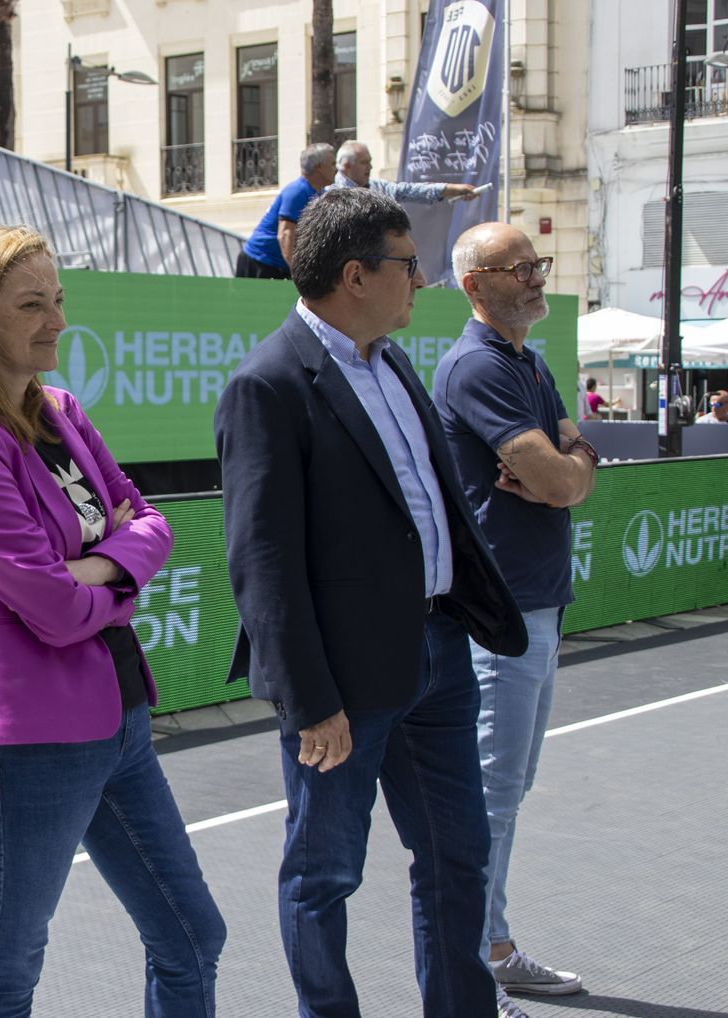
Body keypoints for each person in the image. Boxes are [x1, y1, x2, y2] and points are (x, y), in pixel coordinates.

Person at [215, 188, 527, 1018]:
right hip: (342, 687)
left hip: (438, 657)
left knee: (458, 858)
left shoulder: (392, 363)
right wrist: (310, 700)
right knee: (324, 876)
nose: (421, 281)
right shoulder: (268, 385)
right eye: (408, 264)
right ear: (356, 276)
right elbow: (262, 563)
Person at [0, 224, 225, 1017]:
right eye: (31, 305)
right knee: (10, 970)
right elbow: (53, 610)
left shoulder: (63, 412)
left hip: (118, 717)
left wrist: (99, 566)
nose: (57, 321)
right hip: (23, 741)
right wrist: (117, 570)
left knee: (192, 935)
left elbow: (151, 522)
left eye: (58, 299)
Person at [435, 224, 596, 1016]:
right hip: (501, 620)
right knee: (489, 801)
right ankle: (475, 974)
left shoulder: (529, 362)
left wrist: (571, 467)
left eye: (538, 264)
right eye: (518, 268)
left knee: (510, 788)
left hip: (539, 607)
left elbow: (575, 464)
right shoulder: (477, 367)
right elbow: (562, 481)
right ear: (475, 285)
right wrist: (566, 474)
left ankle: (493, 949)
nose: (535, 278)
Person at [235, 142, 336, 279]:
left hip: (276, 264)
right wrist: (299, 274)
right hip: (260, 263)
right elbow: (285, 235)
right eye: (332, 164)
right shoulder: (298, 191)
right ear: (319, 167)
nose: (336, 169)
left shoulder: (318, 192)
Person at [332, 140, 482, 204]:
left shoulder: (378, 188)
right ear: (346, 166)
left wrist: (453, 189)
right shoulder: (329, 194)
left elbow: (410, 191)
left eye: (370, 162)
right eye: (364, 162)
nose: (370, 167)